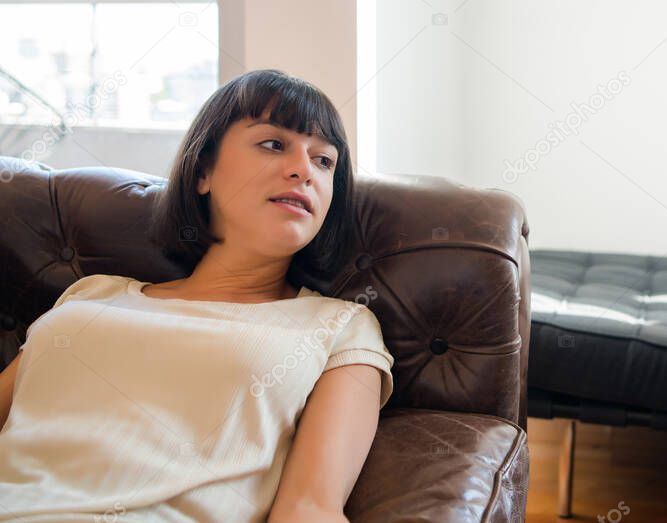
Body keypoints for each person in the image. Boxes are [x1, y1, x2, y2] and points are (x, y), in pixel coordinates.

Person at [0, 69, 393, 523]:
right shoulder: (92, 295)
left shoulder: (340, 327)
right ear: (204, 170)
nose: (304, 170)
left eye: (325, 161)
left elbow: (308, 509)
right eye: (273, 144)